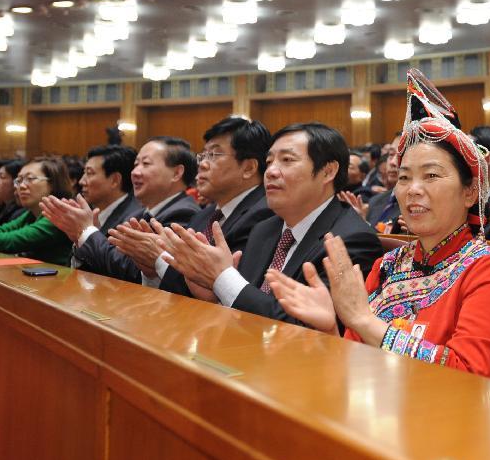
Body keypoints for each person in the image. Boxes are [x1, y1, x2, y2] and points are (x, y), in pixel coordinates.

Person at [264, 70, 490, 379]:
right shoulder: (387, 265)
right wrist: (331, 329)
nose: (412, 189)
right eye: (403, 177)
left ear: (470, 192)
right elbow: (356, 363)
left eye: (431, 175)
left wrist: (361, 319)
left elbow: (466, 373)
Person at [152, 122, 384, 324]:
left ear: (327, 171)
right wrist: (213, 294)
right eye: (269, 160)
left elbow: (300, 326)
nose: (271, 171)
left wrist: (221, 278)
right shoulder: (265, 229)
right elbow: (246, 301)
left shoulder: (351, 241)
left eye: (287, 160)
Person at [125, 117, 273, 296]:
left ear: (248, 168)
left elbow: (222, 291)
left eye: (214, 155)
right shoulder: (204, 215)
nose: (202, 164)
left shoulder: (263, 215)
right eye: (203, 155)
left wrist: (160, 260)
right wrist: (151, 272)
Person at [41, 137, 199, 282]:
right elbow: (102, 268)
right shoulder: (137, 214)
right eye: (136, 164)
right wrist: (80, 237)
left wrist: (86, 231)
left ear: (176, 173)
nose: (135, 172)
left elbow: (130, 272)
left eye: (146, 164)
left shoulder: (184, 212)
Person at [68, 145, 140, 269]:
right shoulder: (89, 212)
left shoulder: (133, 219)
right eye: (84, 173)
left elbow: (121, 271)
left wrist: (87, 235)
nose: (81, 181)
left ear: (115, 180)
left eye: (89, 173)